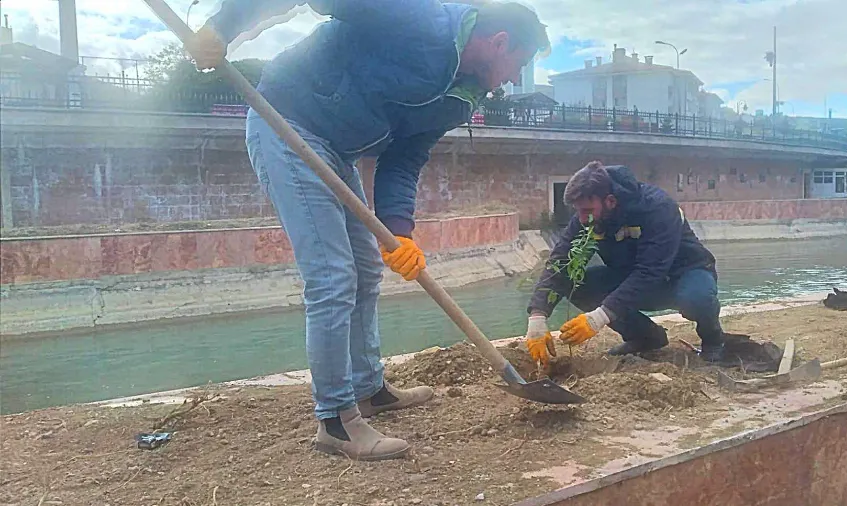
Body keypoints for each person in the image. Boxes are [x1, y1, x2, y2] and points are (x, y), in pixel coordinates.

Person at [187, 0, 549, 461]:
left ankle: (367, 389)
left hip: (339, 151)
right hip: (289, 121)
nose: (516, 78)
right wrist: (225, 25)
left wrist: (400, 232)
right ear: (499, 42)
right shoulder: (422, 19)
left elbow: (405, 159)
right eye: (518, 64)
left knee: (364, 269)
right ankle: (336, 422)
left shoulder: (461, 96)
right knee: (332, 277)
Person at [524, 161, 727, 368]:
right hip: (633, 279)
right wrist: (537, 317)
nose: (582, 219)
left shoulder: (659, 208)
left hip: (686, 274)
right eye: (578, 211)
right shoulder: (587, 218)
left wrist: (598, 318)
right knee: (579, 285)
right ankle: (646, 337)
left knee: (696, 298)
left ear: (610, 201)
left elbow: (650, 271)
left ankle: (713, 339)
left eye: (587, 210)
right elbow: (561, 262)